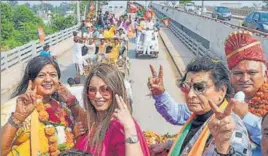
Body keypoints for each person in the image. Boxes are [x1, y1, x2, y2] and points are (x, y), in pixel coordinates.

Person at [149, 30, 265, 155]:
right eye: (238, 73)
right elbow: (180, 116)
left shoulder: (229, 122)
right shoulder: (212, 106)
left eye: (252, 73)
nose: (245, 79)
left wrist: (223, 146)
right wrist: (159, 94)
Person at [148, 56, 251, 155]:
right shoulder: (198, 113)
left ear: (221, 91)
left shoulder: (229, 127)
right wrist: (170, 145)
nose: (190, 94)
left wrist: (223, 147)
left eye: (200, 88)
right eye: (187, 86)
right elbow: (178, 114)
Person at [1, 56, 84, 156]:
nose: (48, 79)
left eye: (53, 75)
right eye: (41, 75)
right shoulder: (14, 108)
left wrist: (72, 103)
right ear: (30, 80)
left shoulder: (61, 107)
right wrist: (17, 117)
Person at [73, 63, 150, 156]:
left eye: (105, 89)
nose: (97, 96)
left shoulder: (121, 126)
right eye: (92, 90)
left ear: (116, 91)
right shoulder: (91, 123)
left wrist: (129, 128)